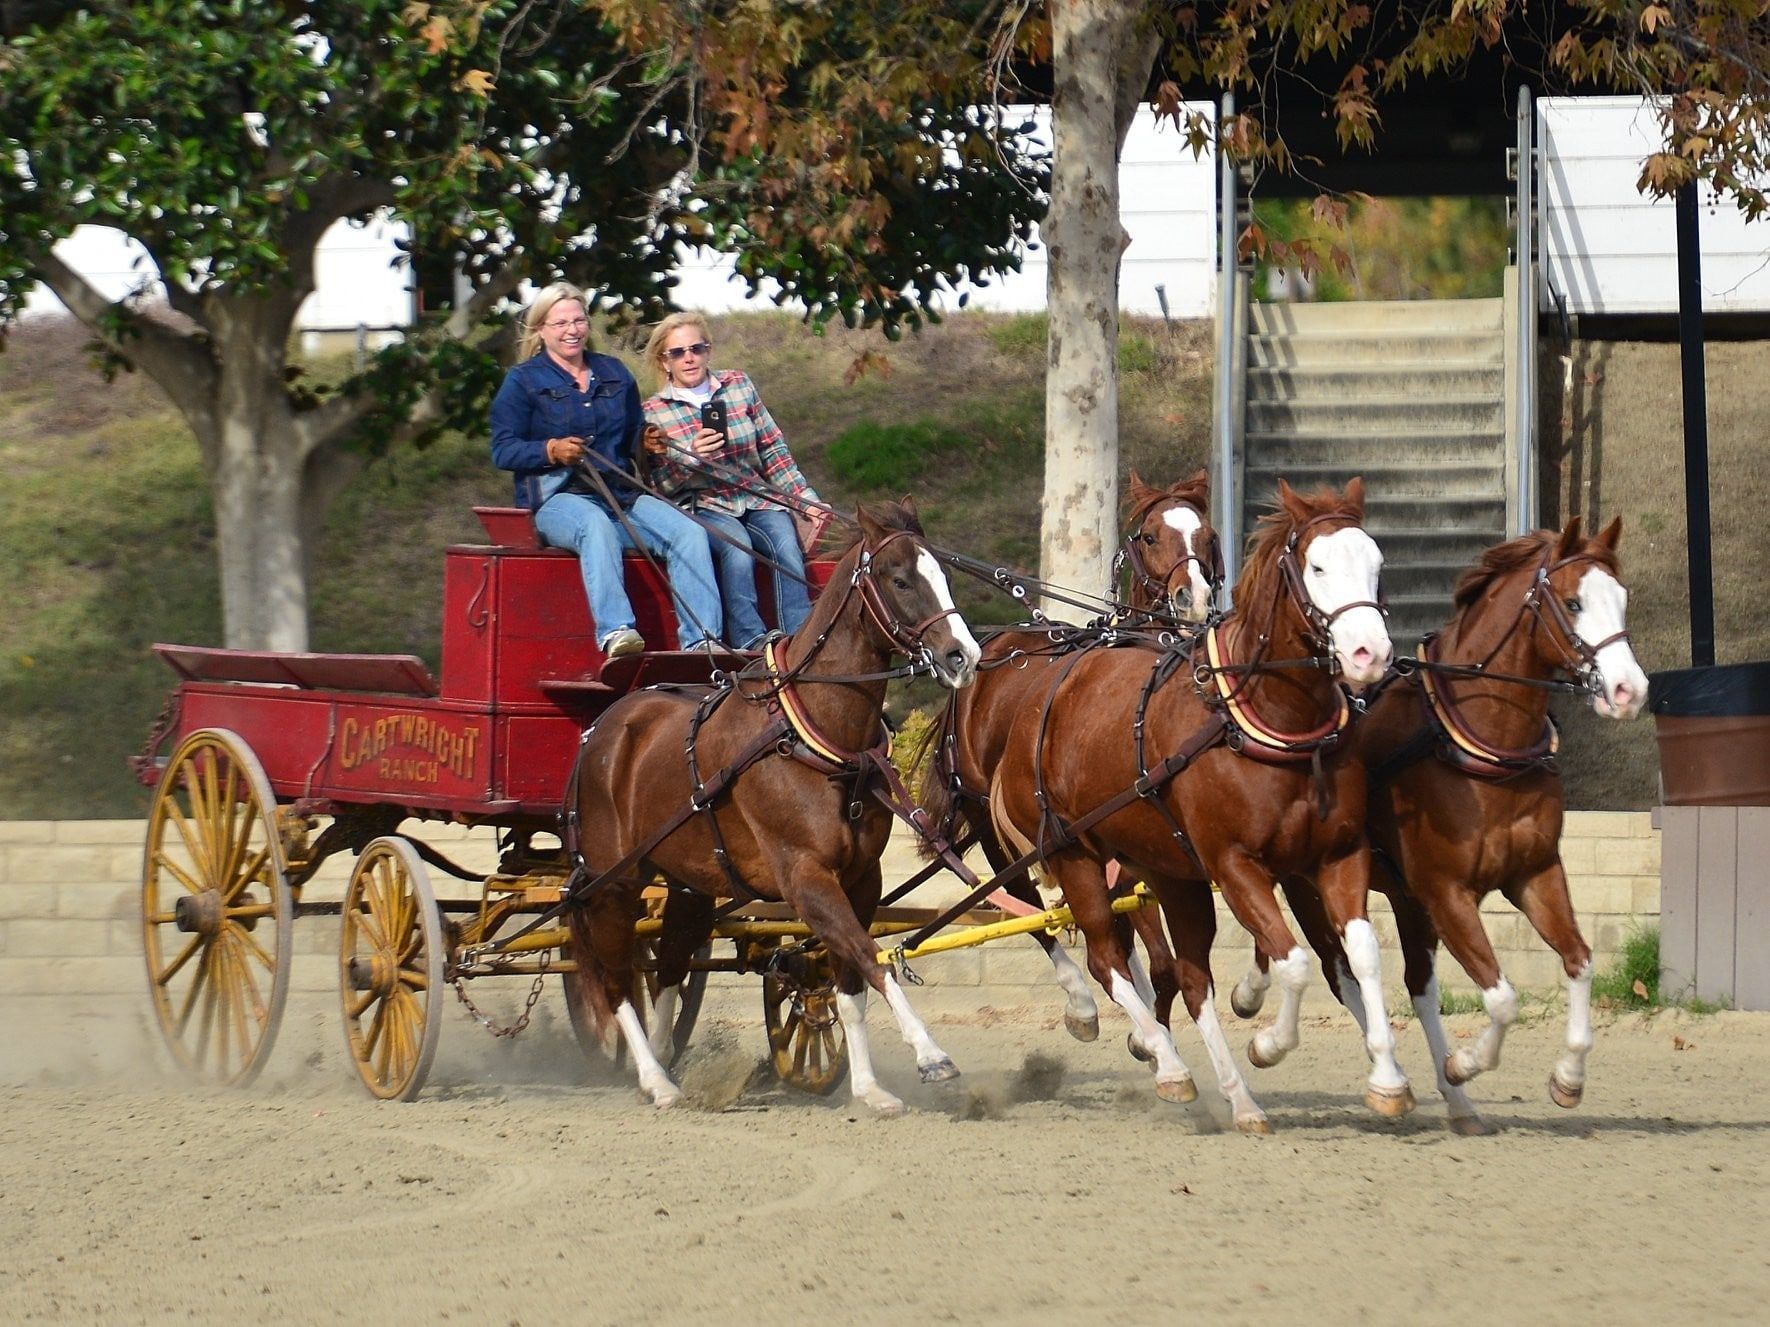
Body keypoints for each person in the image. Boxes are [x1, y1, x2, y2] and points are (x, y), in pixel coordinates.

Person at [489, 283, 722, 657]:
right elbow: (503, 450)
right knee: (595, 527)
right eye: (560, 322)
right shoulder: (522, 381)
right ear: (541, 330)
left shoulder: (613, 373)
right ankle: (616, 633)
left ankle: (703, 644)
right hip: (558, 499)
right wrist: (551, 449)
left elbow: (631, 433)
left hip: (622, 494)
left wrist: (645, 440)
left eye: (579, 320)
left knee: (690, 532)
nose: (572, 329)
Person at [640, 313, 824, 651]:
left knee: (785, 544)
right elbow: (660, 485)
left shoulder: (738, 385)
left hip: (755, 496)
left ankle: (799, 639)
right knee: (737, 548)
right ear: (664, 362)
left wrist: (805, 499)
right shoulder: (653, 412)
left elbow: (773, 449)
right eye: (678, 352)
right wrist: (692, 457)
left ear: (708, 351)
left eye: (696, 348)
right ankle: (750, 639)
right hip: (703, 504)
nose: (689, 358)